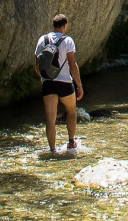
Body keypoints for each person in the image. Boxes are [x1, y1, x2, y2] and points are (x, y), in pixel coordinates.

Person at [35, 14, 84, 153]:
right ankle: (70, 141)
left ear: (53, 25)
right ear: (64, 26)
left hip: (48, 83)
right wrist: (79, 85)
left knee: (50, 119)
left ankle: (52, 149)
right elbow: (72, 64)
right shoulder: (67, 40)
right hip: (64, 82)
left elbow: (37, 63)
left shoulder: (42, 40)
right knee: (71, 111)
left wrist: (43, 79)